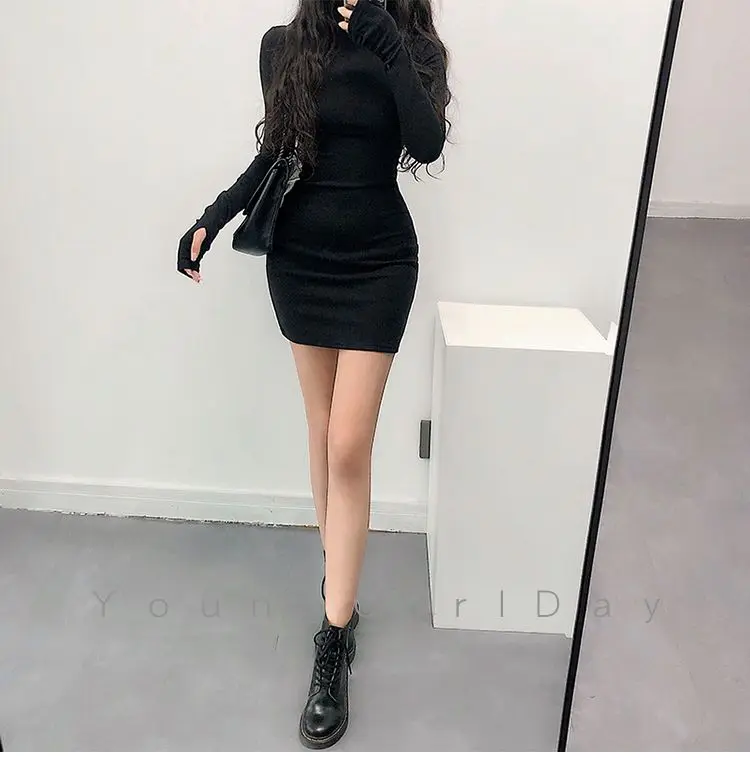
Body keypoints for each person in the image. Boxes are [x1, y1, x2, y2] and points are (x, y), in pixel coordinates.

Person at [177, 0, 450, 749]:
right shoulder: (284, 45)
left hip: (379, 264)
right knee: (323, 428)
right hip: (300, 263)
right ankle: (342, 599)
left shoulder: (410, 41)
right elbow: (275, 155)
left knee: (349, 444)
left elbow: (426, 143)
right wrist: (212, 217)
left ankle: (332, 638)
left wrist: (389, 47)